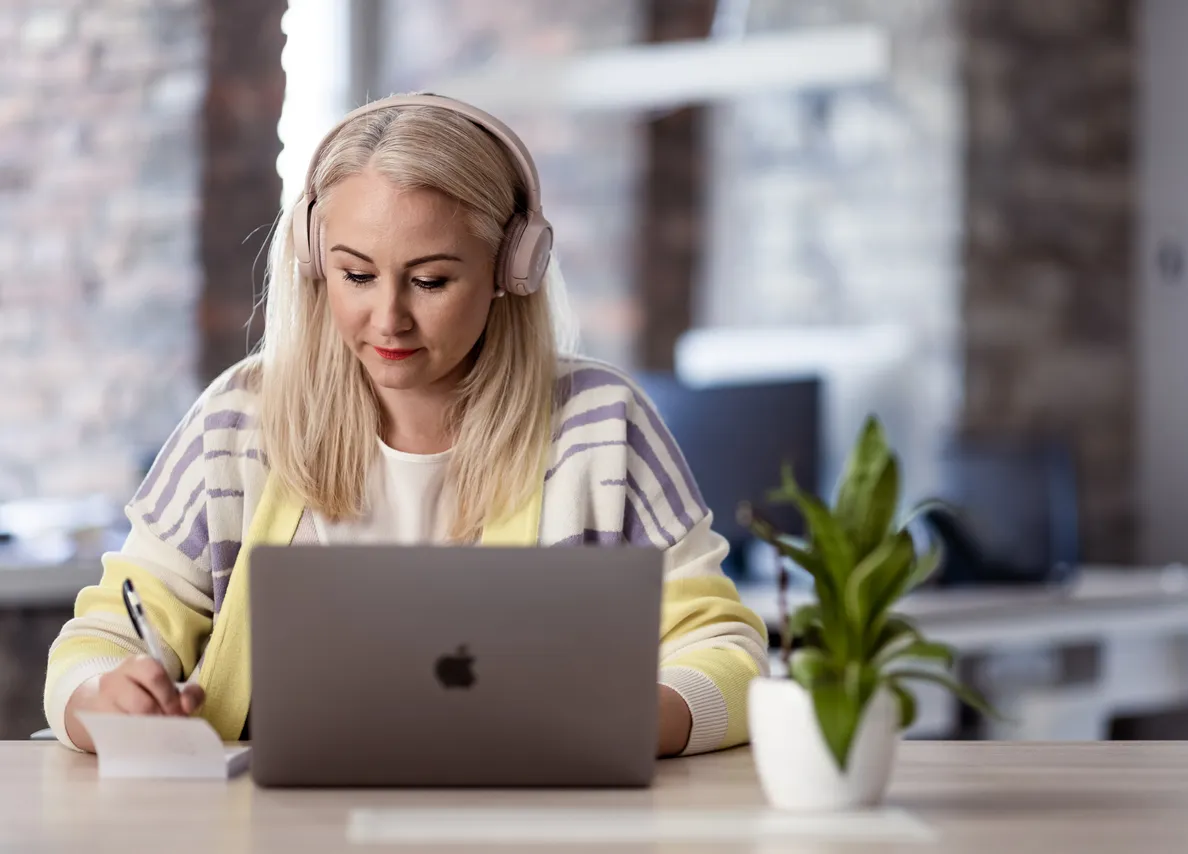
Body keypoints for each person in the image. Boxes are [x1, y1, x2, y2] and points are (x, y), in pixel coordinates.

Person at [43, 93, 769, 758]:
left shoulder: (600, 426)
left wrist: (638, 718)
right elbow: (100, 638)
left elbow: (726, 651)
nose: (387, 318)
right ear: (315, 262)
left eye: (430, 281)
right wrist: (105, 696)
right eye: (355, 275)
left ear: (511, 269)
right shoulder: (240, 421)